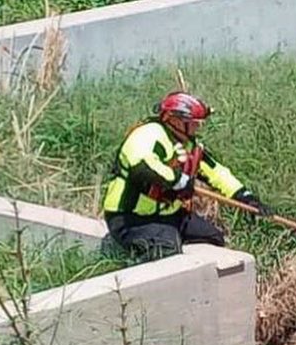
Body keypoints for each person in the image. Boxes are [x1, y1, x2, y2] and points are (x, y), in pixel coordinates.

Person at [102, 91, 272, 261]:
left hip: (169, 214)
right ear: (175, 120)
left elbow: (217, 172)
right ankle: (122, 253)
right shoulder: (148, 134)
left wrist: (245, 197)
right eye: (193, 123)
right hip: (130, 218)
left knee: (213, 238)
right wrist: (179, 181)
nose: (197, 128)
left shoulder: (190, 146)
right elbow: (141, 166)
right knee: (166, 248)